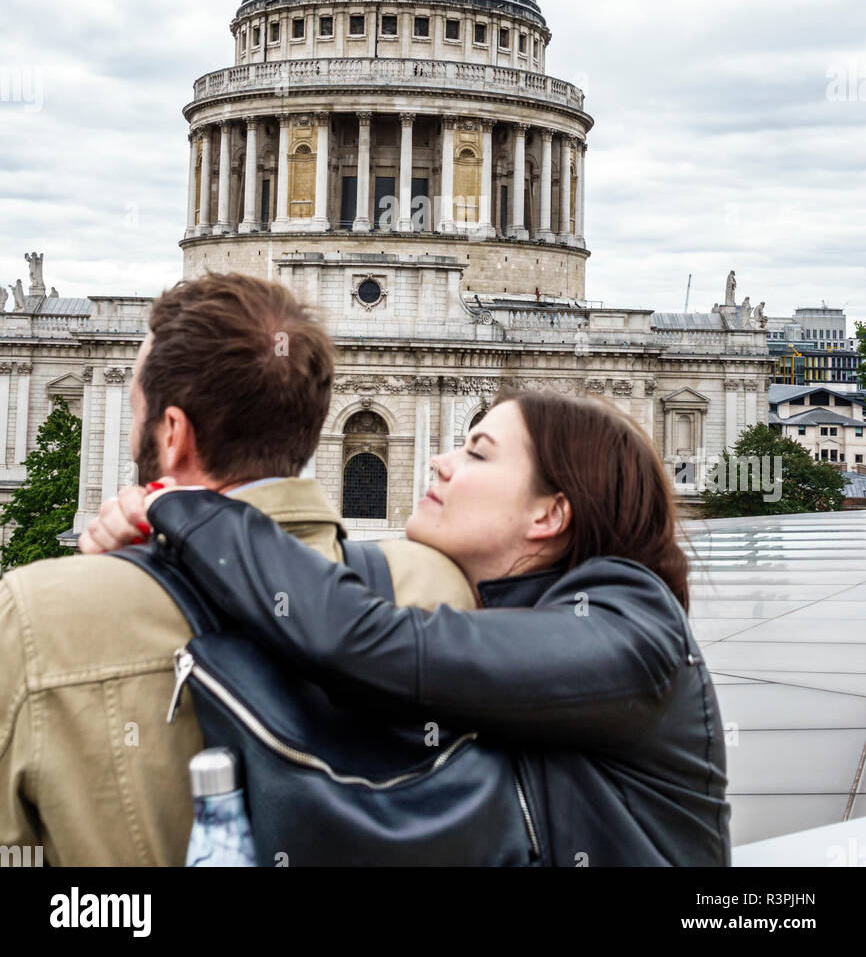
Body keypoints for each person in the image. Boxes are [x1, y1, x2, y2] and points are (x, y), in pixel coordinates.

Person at [88, 387, 731, 867]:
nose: (438, 462)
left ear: (549, 514)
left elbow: (364, 643)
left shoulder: (634, 627)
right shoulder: (498, 608)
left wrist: (184, 507)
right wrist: (172, 544)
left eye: (477, 452)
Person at [0, 273, 473, 866]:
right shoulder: (444, 586)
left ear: (172, 435)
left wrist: (88, 591)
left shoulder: (35, 618)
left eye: (135, 413)